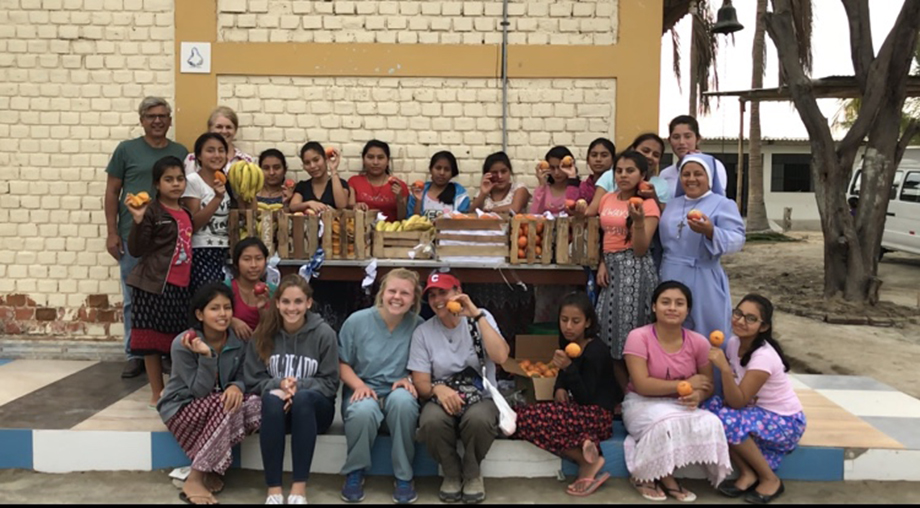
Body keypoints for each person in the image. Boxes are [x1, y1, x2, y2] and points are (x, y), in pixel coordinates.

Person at [622, 281, 732, 502]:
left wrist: (696, 396)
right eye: (665, 302)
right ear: (654, 307)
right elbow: (642, 384)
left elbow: (707, 385)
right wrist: (686, 384)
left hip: (681, 404)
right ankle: (648, 476)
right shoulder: (638, 337)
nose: (672, 308)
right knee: (665, 423)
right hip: (641, 402)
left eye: (679, 303)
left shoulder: (698, 342)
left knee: (711, 422)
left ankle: (663, 474)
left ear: (688, 310)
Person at [104, 96, 188, 379]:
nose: (157, 120)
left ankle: (164, 352)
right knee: (133, 297)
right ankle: (134, 354)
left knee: (168, 299)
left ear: (169, 120)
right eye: (151, 116)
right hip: (133, 234)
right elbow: (112, 191)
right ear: (141, 120)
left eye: (163, 115)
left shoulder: (180, 151)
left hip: (168, 238)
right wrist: (112, 232)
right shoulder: (126, 150)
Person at [408, 272, 511, 504]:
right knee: (431, 420)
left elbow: (501, 356)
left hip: (481, 396)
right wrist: (437, 390)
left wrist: (477, 316)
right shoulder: (423, 333)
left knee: (479, 419)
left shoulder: (480, 319)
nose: (437, 300)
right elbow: (421, 383)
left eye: (443, 293)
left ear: (458, 292)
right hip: (443, 398)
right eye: (432, 295)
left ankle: (472, 473)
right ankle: (451, 472)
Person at [157, 282, 261, 505]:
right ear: (200, 314)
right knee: (228, 405)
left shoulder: (239, 340)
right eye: (214, 308)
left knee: (255, 405)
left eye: (227, 308)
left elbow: (246, 376)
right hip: (182, 408)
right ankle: (196, 477)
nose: (222, 314)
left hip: (219, 408)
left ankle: (213, 468)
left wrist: (237, 386)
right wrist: (206, 356)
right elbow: (199, 392)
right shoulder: (183, 343)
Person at [243, 274, 340, 505]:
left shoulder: (324, 334)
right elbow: (252, 379)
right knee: (271, 399)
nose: (292, 308)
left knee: (303, 399)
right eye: (286, 302)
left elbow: (330, 382)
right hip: (277, 411)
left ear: (308, 303)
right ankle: (274, 488)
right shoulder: (263, 333)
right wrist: (279, 385)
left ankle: (299, 487)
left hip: (315, 412)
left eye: (298, 302)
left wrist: (298, 388)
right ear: (277, 303)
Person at [513, 292, 619, 497]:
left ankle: (586, 460)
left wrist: (569, 368)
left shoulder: (596, 351)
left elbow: (586, 397)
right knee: (535, 416)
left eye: (575, 321)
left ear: (588, 322)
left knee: (526, 419)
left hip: (597, 416)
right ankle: (586, 442)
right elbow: (562, 376)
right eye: (564, 320)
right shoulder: (569, 343)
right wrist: (559, 387)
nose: (568, 326)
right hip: (576, 410)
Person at [702, 295, 805, 504]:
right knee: (709, 409)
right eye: (738, 313)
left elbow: (737, 401)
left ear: (763, 326)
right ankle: (748, 473)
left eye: (750, 318)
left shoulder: (763, 357)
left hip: (785, 421)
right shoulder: (733, 343)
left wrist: (723, 368)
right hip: (757, 413)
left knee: (726, 419)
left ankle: (770, 479)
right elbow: (734, 395)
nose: (740, 321)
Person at [338, 269, 426, 504]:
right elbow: (341, 363)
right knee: (363, 408)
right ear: (382, 293)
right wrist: (358, 385)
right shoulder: (357, 321)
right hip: (364, 387)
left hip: (398, 392)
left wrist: (408, 378)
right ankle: (355, 472)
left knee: (404, 402)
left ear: (414, 299)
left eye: (405, 293)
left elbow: (426, 365)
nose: (397, 297)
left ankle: (404, 476)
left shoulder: (419, 326)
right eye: (392, 291)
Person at [126, 156, 194, 406]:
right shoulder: (152, 211)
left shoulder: (185, 211)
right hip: (153, 285)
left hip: (180, 285)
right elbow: (136, 248)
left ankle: (175, 389)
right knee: (151, 342)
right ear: (157, 184)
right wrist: (138, 219)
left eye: (179, 179)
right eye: (168, 179)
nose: (175, 184)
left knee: (176, 340)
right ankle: (157, 392)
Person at [658, 153, 746, 339]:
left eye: (698, 174)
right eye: (686, 174)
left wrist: (711, 231)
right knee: (672, 330)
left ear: (709, 177)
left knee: (707, 331)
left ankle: (710, 369)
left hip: (703, 277)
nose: (691, 179)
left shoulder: (722, 204)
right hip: (670, 274)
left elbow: (738, 239)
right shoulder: (673, 204)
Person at [595, 151, 661, 394]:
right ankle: (627, 393)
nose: (623, 175)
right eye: (619, 170)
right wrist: (602, 261)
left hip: (635, 271)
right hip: (611, 270)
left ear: (642, 175)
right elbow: (604, 237)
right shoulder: (607, 199)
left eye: (630, 170)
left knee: (629, 337)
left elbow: (642, 249)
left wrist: (639, 221)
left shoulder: (648, 205)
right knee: (605, 333)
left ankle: (636, 393)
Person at [182, 133, 232, 297]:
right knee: (209, 301)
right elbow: (193, 224)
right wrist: (217, 198)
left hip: (224, 251)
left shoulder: (227, 182)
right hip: (202, 251)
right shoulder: (193, 181)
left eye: (221, 150)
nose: (217, 155)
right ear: (199, 156)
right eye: (210, 151)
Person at [659, 115, 729, 199]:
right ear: (670, 141)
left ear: (697, 139)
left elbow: (717, 198)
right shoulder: (665, 174)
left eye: (687, 136)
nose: (681, 142)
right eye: (676, 137)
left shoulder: (714, 166)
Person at [225, 237, 276, 341]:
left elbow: (277, 325)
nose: (253, 265)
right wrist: (232, 321)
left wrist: (263, 311)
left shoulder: (273, 291)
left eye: (258, 259)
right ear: (236, 263)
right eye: (247, 259)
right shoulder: (226, 289)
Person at [183, 106, 253, 175]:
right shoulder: (192, 159)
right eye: (219, 127)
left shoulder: (246, 161)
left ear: (235, 130)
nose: (224, 131)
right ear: (210, 129)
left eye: (228, 127)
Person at [348, 140, 408, 221]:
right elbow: (349, 210)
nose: (375, 162)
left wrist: (399, 199)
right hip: (361, 231)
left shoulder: (398, 185)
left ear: (387, 161)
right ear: (363, 160)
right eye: (370, 157)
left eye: (380, 158)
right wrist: (356, 206)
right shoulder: (354, 182)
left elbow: (402, 219)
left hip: (389, 232)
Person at [407, 151, 471, 218]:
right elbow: (412, 222)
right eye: (438, 168)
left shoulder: (460, 195)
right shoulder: (419, 191)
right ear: (431, 169)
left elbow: (462, 221)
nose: (442, 173)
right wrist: (418, 201)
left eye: (447, 169)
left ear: (452, 173)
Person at [291, 142, 349, 214]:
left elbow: (341, 205)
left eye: (316, 160)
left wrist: (333, 169)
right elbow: (293, 206)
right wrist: (309, 203)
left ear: (325, 158)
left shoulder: (340, 183)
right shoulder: (303, 186)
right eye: (307, 163)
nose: (312, 166)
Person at [530, 146, 581, 215]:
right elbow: (535, 215)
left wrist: (572, 178)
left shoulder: (578, 188)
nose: (556, 172)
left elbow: (575, 213)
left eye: (560, 167)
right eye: (552, 168)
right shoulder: (544, 189)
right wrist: (542, 185)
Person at [578, 137, 615, 204]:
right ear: (588, 160)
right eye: (594, 155)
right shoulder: (583, 187)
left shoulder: (618, 184)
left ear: (613, 160)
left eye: (604, 155)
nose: (598, 159)